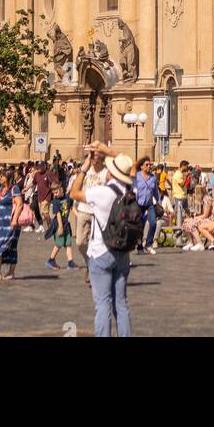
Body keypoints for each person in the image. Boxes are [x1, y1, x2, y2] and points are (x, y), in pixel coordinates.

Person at [71, 144, 136, 338]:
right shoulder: (130, 190)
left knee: (103, 304)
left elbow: (74, 193)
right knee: (121, 304)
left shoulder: (102, 192)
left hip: (101, 253)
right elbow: (131, 165)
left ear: (111, 174)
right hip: (123, 253)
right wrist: (109, 152)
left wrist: (84, 167)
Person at [70, 145, 107, 284]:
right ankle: (90, 263)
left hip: (98, 213)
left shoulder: (105, 173)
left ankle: (94, 270)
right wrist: (83, 169)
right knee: (80, 242)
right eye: (90, 155)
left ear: (101, 157)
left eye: (95, 155)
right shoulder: (85, 170)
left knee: (97, 244)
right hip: (84, 210)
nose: (92, 158)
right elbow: (74, 190)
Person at [0, 166, 24, 282]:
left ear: (7, 177)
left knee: (9, 247)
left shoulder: (14, 188)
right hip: (1, 223)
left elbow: (20, 204)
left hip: (11, 223)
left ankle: (11, 272)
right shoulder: (2, 189)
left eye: (2, 176)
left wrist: (14, 220)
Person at [45, 178, 75, 271]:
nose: (55, 194)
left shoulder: (68, 198)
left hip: (66, 224)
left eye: (56, 192)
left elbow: (72, 208)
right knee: (59, 243)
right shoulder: (55, 201)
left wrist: (78, 214)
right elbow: (58, 214)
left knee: (68, 243)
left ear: (62, 189)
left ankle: (70, 263)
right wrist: (60, 227)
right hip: (58, 224)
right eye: (53, 193)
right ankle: (51, 260)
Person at [134, 156, 160, 254]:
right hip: (138, 204)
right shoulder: (137, 176)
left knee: (153, 223)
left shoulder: (152, 177)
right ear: (141, 166)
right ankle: (140, 246)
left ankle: (149, 244)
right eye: (146, 165)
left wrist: (158, 203)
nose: (149, 166)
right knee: (139, 225)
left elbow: (156, 191)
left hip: (149, 204)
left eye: (150, 165)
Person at [171, 160, 190, 225]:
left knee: (187, 212)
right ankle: (177, 226)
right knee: (178, 213)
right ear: (183, 166)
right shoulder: (178, 174)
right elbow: (182, 184)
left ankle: (189, 225)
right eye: (187, 166)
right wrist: (186, 176)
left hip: (183, 196)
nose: (187, 168)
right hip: (179, 197)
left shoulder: (181, 173)